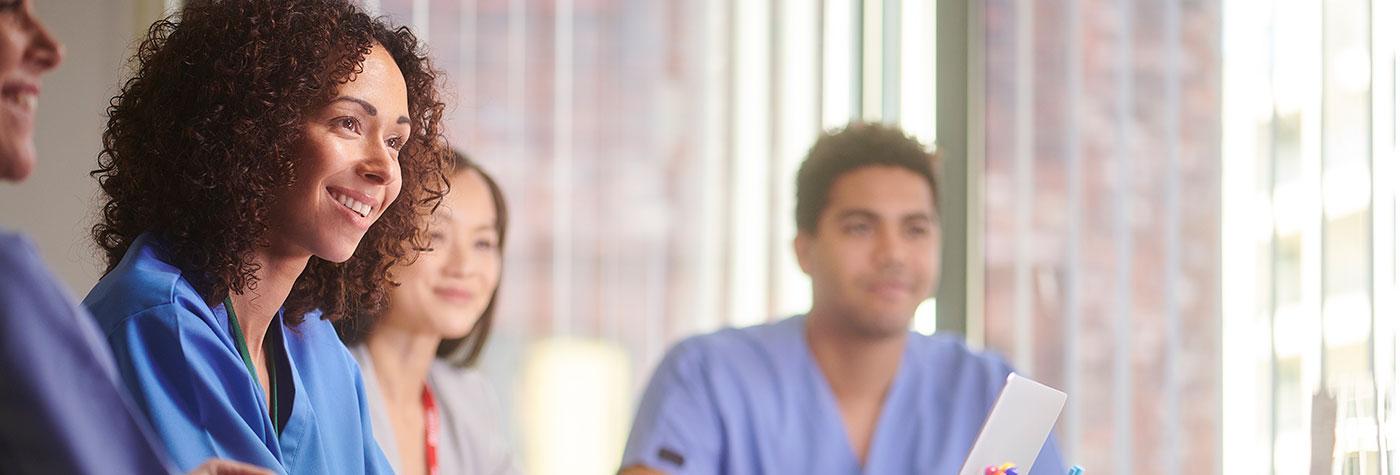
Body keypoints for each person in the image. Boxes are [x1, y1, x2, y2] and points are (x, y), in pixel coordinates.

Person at [81, 0, 451, 472]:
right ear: (253, 127)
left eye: (395, 142)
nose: (384, 169)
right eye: (348, 124)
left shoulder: (316, 346)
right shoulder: (157, 320)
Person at [621, 123, 1066, 474]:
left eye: (915, 229)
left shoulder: (988, 390)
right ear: (804, 249)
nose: (892, 254)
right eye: (860, 227)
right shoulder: (706, 376)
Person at [0, 1, 268, 473]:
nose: (52, 49)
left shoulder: (317, 343)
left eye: (395, 142)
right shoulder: (16, 288)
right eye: (6, 10)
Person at [338, 151, 520, 475]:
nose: (464, 267)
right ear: (378, 244)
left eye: (483, 243)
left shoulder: (471, 400)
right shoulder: (325, 387)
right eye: (435, 236)